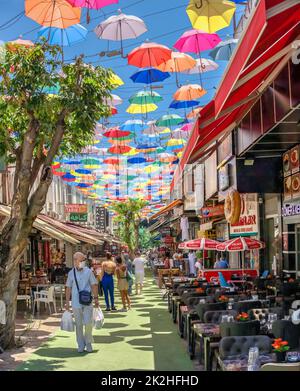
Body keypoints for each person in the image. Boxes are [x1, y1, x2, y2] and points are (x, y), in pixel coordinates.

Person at [65, 252, 99, 353]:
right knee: (79, 324)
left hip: (87, 301)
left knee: (88, 323)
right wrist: (67, 302)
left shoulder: (88, 272)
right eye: (81, 260)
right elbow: (68, 287)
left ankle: (88, 343)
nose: (83, 262)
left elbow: (94, 285)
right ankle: (80, 344)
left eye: (84, 260)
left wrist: (96, 298)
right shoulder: (71, 273)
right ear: (75, 261)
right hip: (76, 302)